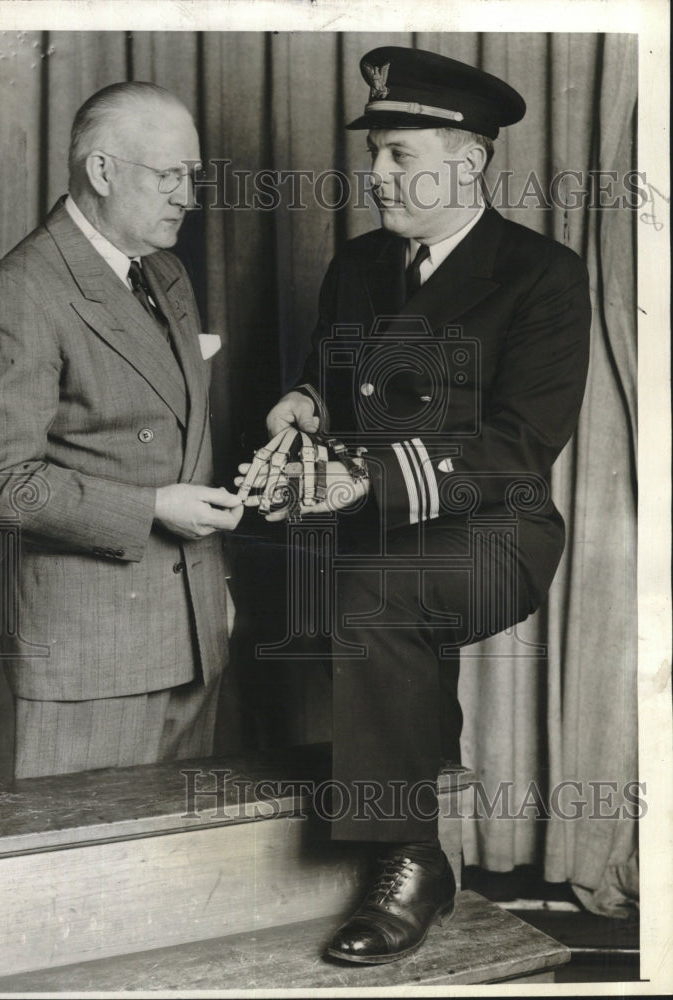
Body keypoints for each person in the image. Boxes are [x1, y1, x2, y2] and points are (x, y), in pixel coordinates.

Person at [238, 47, 591, 964]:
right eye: (376, 156)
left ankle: (406, 857)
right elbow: (332, 372)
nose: (377, 175)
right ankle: (392, 828)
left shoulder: (541, 276)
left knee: (373, 601)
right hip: (374, 523)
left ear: (467, 163)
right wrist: (305, 404)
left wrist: (369, 479)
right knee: (293, 582)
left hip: (491, 533)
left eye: (399, 157)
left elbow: (521, 446)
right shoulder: (358, 264)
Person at [0, 82, 243, 779]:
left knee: (175, 867)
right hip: (92, 653)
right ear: (103, 170)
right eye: (169, 176)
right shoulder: (16, 292)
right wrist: (149, 510)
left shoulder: (164, 272)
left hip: (194, 630)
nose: (188, 197)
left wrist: (213, 592)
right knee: (82, 878)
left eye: (192, 177)